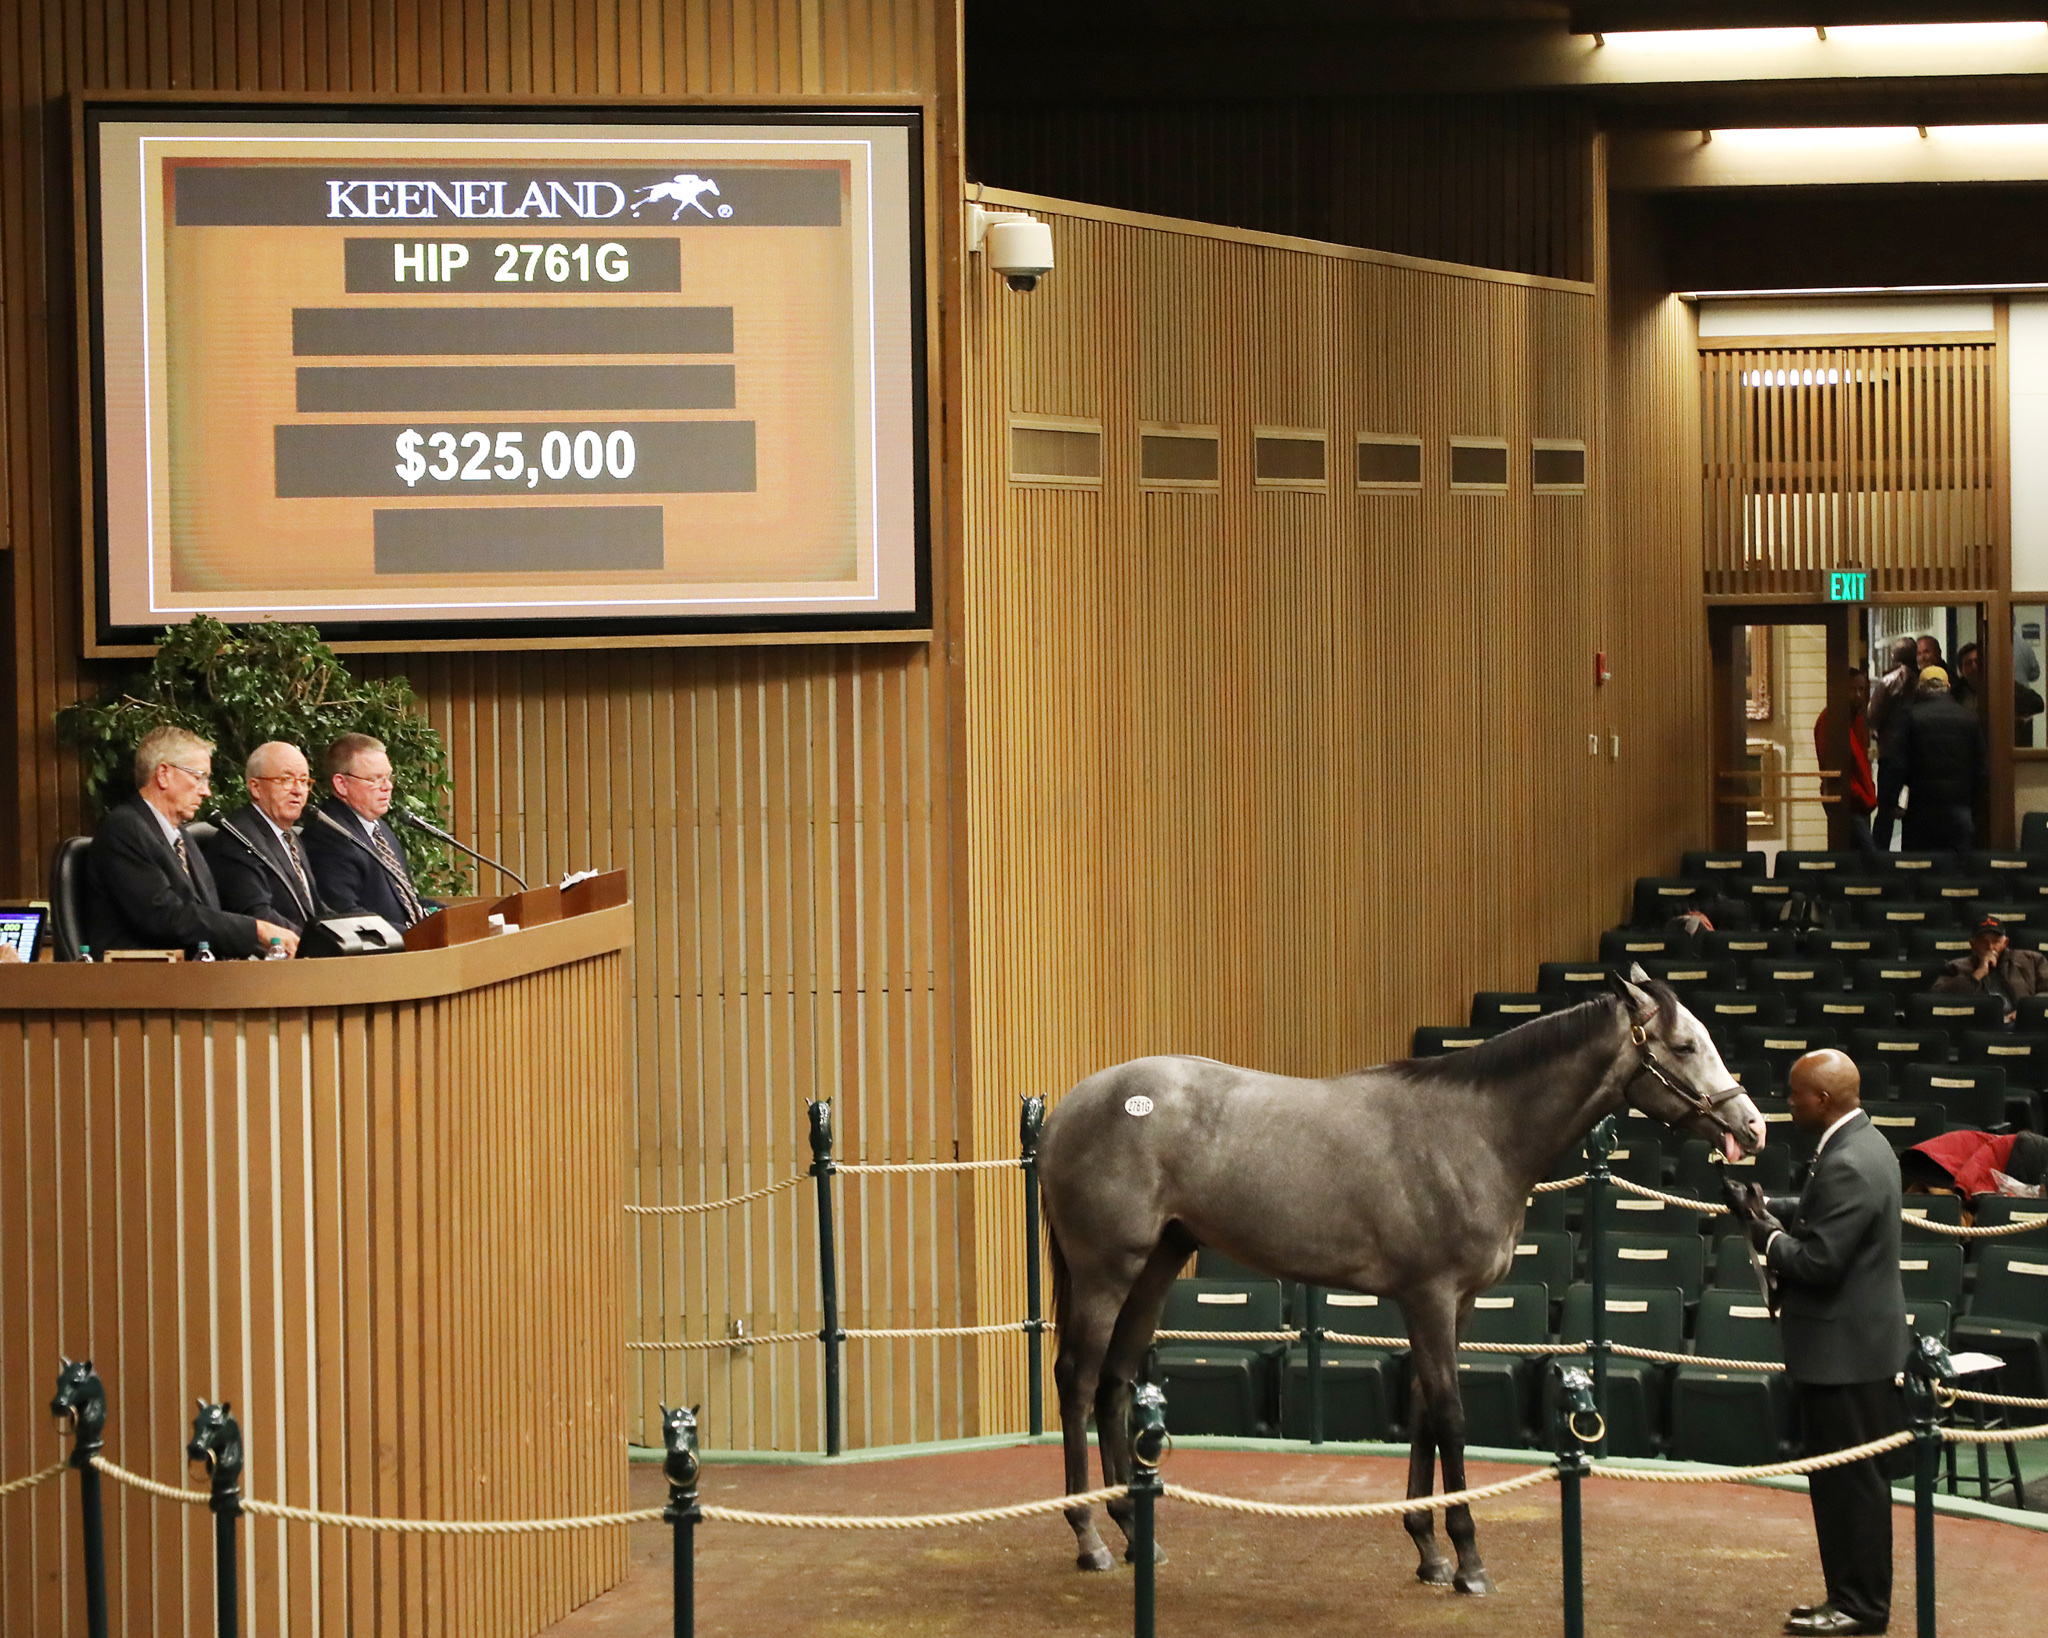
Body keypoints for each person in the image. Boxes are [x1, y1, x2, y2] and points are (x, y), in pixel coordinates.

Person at [1735, 1049, 1908, 1638]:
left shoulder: (1848, 1162)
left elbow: (1819, 1261)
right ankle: (1849, 1598)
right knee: (1843, 1485)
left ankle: (1860, 1608)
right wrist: (1769, 1208)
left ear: (1825, 1100)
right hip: (1852, 1349)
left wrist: (1768, 1237)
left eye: (1795, 1095)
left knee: (1849, 1487)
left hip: (1846, 1356)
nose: (1788, 1103)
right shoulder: (1860, 1143)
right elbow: (1827, 1217)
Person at [82, 725, 300, 959]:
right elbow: (165, 918)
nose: (206, 791)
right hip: (140, 979)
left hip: (193, 974)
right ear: (164, 774)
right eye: (198, 777)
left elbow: (206, 914)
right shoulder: (125, 829)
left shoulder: (182, 837)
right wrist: (256, 930)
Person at [302, 733, 434, 930]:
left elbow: (407, 901)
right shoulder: (328, 835)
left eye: (388, 777)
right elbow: (344, 915)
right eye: (375, 779)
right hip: (374, 956)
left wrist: (447, 916)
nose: (387, 787)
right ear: (341, 784)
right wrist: (415, 935)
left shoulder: (379, 828)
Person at [202, 741, 327, 936]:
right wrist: (317, 942)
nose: (298, 790)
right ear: (256, 787)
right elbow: (257, 914)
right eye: (286, 779)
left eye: (304, 781)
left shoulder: (289, 835)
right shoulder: (238, 839)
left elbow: (314, 910)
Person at [1891, 664, 1983, 853]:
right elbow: (1981, 768)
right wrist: (1976, 805)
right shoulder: (1969, 718)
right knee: (1958, 870)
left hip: (1921, 807)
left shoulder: (1910, 717)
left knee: (1920, 869)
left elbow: (1898, 764)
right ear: (1948, 687)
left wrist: (1890, 802)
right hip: (1960, 807)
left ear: (1919, 688)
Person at [1813, 667, 1878, 865]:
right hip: (1848, 797)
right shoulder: (1830, 720)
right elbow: (1830, 764)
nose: (1857, 695)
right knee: (1869, 858)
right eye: (1852, 689)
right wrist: (1856, 793)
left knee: (1859, 858)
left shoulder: (1857, 719)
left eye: (1861, 689)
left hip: (1860, 797)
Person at [1929, 914, 2048, 1015]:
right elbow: (1939, 997)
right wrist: (1977, 974)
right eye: (1983, 941)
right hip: (1980, 1025)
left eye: (1995, 941)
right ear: (1972, 944)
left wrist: (2025, 1012)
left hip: (2022, 1024)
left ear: (2005, 942)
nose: (1990, 947)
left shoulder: (2031, 960)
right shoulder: (1955, 967)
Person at [1866, 640, 1918, 853]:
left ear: (1895, 656)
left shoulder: (1887, 682)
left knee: (1886, 810)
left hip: (1890, 751)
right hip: (1917, 750)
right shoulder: (1920, 681)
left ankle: (1879, 858)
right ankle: (1912, 855)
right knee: (1917, 809)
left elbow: (1872, 716)